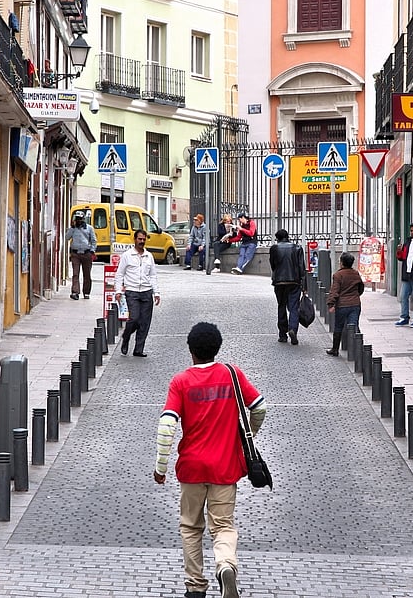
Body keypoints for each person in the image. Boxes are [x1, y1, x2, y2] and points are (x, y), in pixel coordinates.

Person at [154, 322, 267, 598]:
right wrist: (248, 433)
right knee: (223, 526)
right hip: (226, 467)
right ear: (217, 349)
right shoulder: (232, 374)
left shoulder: (181, 382)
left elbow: (167, 425)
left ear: (191, 351)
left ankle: (195, 586)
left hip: (191, 467)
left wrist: (160, 466)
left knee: (191, 527)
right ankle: (225, 564)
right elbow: (259, 406)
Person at [115, 229, 161, 357]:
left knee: (144, 323)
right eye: (139, 239)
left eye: (143, 239)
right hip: (132, 291)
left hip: (146, 292)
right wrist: (118, 290)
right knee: (134, 319)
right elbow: (119, 274)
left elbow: (153, 275)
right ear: (135, 239)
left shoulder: (149, 256)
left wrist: (156, 292)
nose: (141, 241)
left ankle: (138, 349)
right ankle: (126, 336)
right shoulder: (127, 255)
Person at [268, 228, 306, 345]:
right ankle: (293, 328)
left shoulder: (274, 248)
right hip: (294, 281)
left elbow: (273, 264)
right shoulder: (297, 248)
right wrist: (304, 284)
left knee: (281, 306)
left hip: (279, 281)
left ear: (277, 238)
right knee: (294, 307)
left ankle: (282, 335)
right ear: (287, 236)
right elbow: (301, 267)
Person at [325, 252, 365, 356]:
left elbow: (334, 290)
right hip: (355, 304)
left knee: (338, 326)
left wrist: (331, 304)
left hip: (342, 305)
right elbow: (361, 288)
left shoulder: (338, 275)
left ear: (341, 263)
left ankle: (335, 349)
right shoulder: (355, 273)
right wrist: (356, 295)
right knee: (354, 325)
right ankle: (358, 350)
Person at [65, 212, 97, 300]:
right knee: (75, 273)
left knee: (87, 274)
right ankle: (75, 292)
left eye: (80, 219)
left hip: (86, 253)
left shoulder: (89, 228)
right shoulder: (73, 229)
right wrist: (71, 228)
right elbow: (67, 237)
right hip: (75, 254)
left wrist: (92, 251)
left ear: (83, 219)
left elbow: (94, 240)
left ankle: (86, 292)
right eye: (77, 219)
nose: (78, 221)